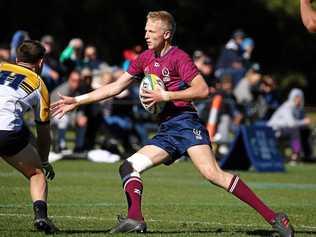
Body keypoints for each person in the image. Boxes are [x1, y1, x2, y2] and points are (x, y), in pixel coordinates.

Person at [51, 11, 294, 236]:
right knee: (128, 167)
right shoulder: (145, 58)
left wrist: (165, 96)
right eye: (145, 31)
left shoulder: (179, 57)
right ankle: (135, 218)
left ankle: (274, 217)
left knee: (212, 174)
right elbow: (115, 87)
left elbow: (202, 90)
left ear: (165, 34)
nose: (146, 35)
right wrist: (77, 100)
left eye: (151, 31)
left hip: (186, 124)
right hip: (167, 129)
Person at [0, 40, 58, 234]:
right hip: (6, 132)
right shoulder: (39, 85)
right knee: (36, 174)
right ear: (40, 63)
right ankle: (41, 217)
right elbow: (43, 133)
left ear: (16, 59)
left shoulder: (1, 67)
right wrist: (44, 160)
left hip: (10, 128)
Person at [268, 88, 312, 163]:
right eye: (296, 97)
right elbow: (291, 124)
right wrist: (304, 122)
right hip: (274, 130)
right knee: (294, 131)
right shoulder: (287, 107)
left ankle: (307, 155)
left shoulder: (299, 109)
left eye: (300, 97)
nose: (298, 99)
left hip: (284, 130)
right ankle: (295, 155)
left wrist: (304, 123)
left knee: (305, 130)